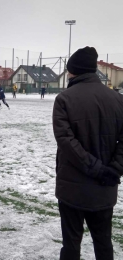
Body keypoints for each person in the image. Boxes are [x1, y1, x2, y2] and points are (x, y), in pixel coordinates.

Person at [52, 46, 123, 260]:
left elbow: (66, 142)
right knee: (103, 244)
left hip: (72, 189)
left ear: (73, 71)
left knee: (71, 245)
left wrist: (101, 170)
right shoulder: (118, 100)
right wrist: (113, 169)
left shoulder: (64, 99)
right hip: (105, 188)